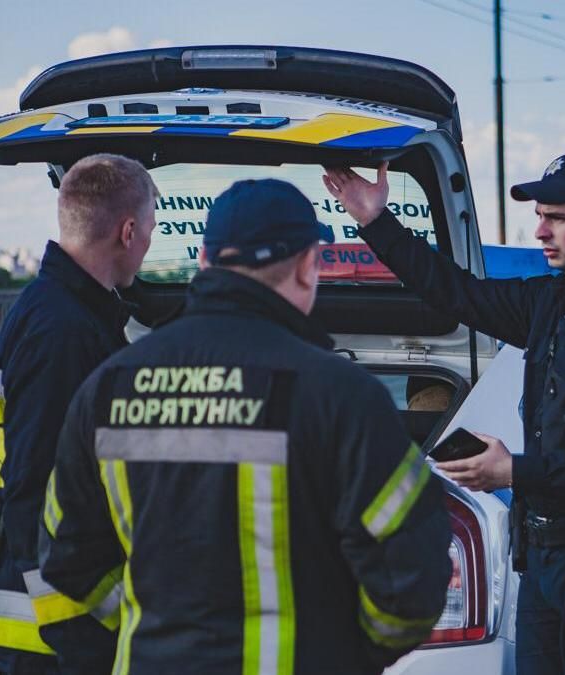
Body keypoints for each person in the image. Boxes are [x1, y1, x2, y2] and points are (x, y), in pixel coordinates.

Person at [38, 179, 452, 674]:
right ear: (306, 266)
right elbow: (415, 572)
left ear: (206, 264)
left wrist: (145, 621)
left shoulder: (108, 387)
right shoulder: (341, 396)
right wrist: (348, 653)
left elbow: (65, 551)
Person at [324, 154, 565, 674]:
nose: (540, 230)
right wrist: (375, 222)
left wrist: (514, 470)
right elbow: (456, 293)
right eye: (540, 215)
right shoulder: (548, 303)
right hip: (542, 561)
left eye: (557, 217)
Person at [0, 153, 157, 674]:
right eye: (151, 229)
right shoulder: (63, 334)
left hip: (53, 628)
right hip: (55, 642)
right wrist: (85, 641)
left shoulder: (59, 310)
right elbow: (33, 496)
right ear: (128, 232)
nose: (149, 245)